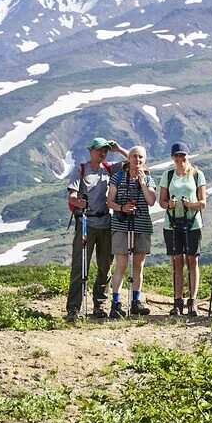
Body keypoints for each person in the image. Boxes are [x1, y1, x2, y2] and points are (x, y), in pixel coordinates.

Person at [65, 138, 119, 321]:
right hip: (86, 223)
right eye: (99, 150)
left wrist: (119, 149)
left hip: (105, 222)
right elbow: (72, 195)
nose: (102, 153)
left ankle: (99, 305)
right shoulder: (81, 169)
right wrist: (78, 202)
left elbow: (136, 162)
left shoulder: (109, 168)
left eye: (105, 150)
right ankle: (74, 309)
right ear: (91, 151)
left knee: (105, 266)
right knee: (80, 267)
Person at [158, 142, 207, 316]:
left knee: (192, 261)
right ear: (173, 157)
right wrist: (169, 204)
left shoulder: (197, 174)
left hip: (193, 223)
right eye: (177, 156)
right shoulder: (168, 175)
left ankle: (192, 301)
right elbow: (161, 201)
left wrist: (190, 205)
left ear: (187, 156)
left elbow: (203, 203)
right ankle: (177, 302)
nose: (180, 159)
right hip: (171, 223)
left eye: (183, 156)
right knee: (177, 261)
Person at [108, 142, 156, 317]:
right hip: (121, 224)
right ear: (128, 158)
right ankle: (116, 303)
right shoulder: (118, 177)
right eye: (134, 156)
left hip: (142, 225)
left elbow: (151, 201)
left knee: (138, 265)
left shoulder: (148, 179)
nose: (137, 159)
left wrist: (143, 184)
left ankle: (136, 301)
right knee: (121, 265)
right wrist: (122, 208)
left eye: (141, 157)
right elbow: (109, 201)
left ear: (145, 160)